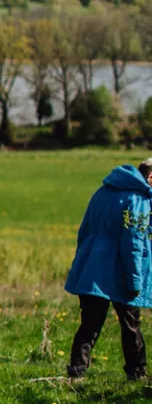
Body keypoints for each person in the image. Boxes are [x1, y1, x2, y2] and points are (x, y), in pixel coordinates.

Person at [64, 159, 152, 381]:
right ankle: (137, 373)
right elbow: (133, 243)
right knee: (131, 324)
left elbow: (84, 231)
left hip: (91, 269)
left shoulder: (102, 192)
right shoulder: (138, 199)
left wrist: (82, 264)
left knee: (90, 323)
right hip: (120, 273)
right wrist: (135, 281)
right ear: (150, 177)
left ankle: (76, 373)